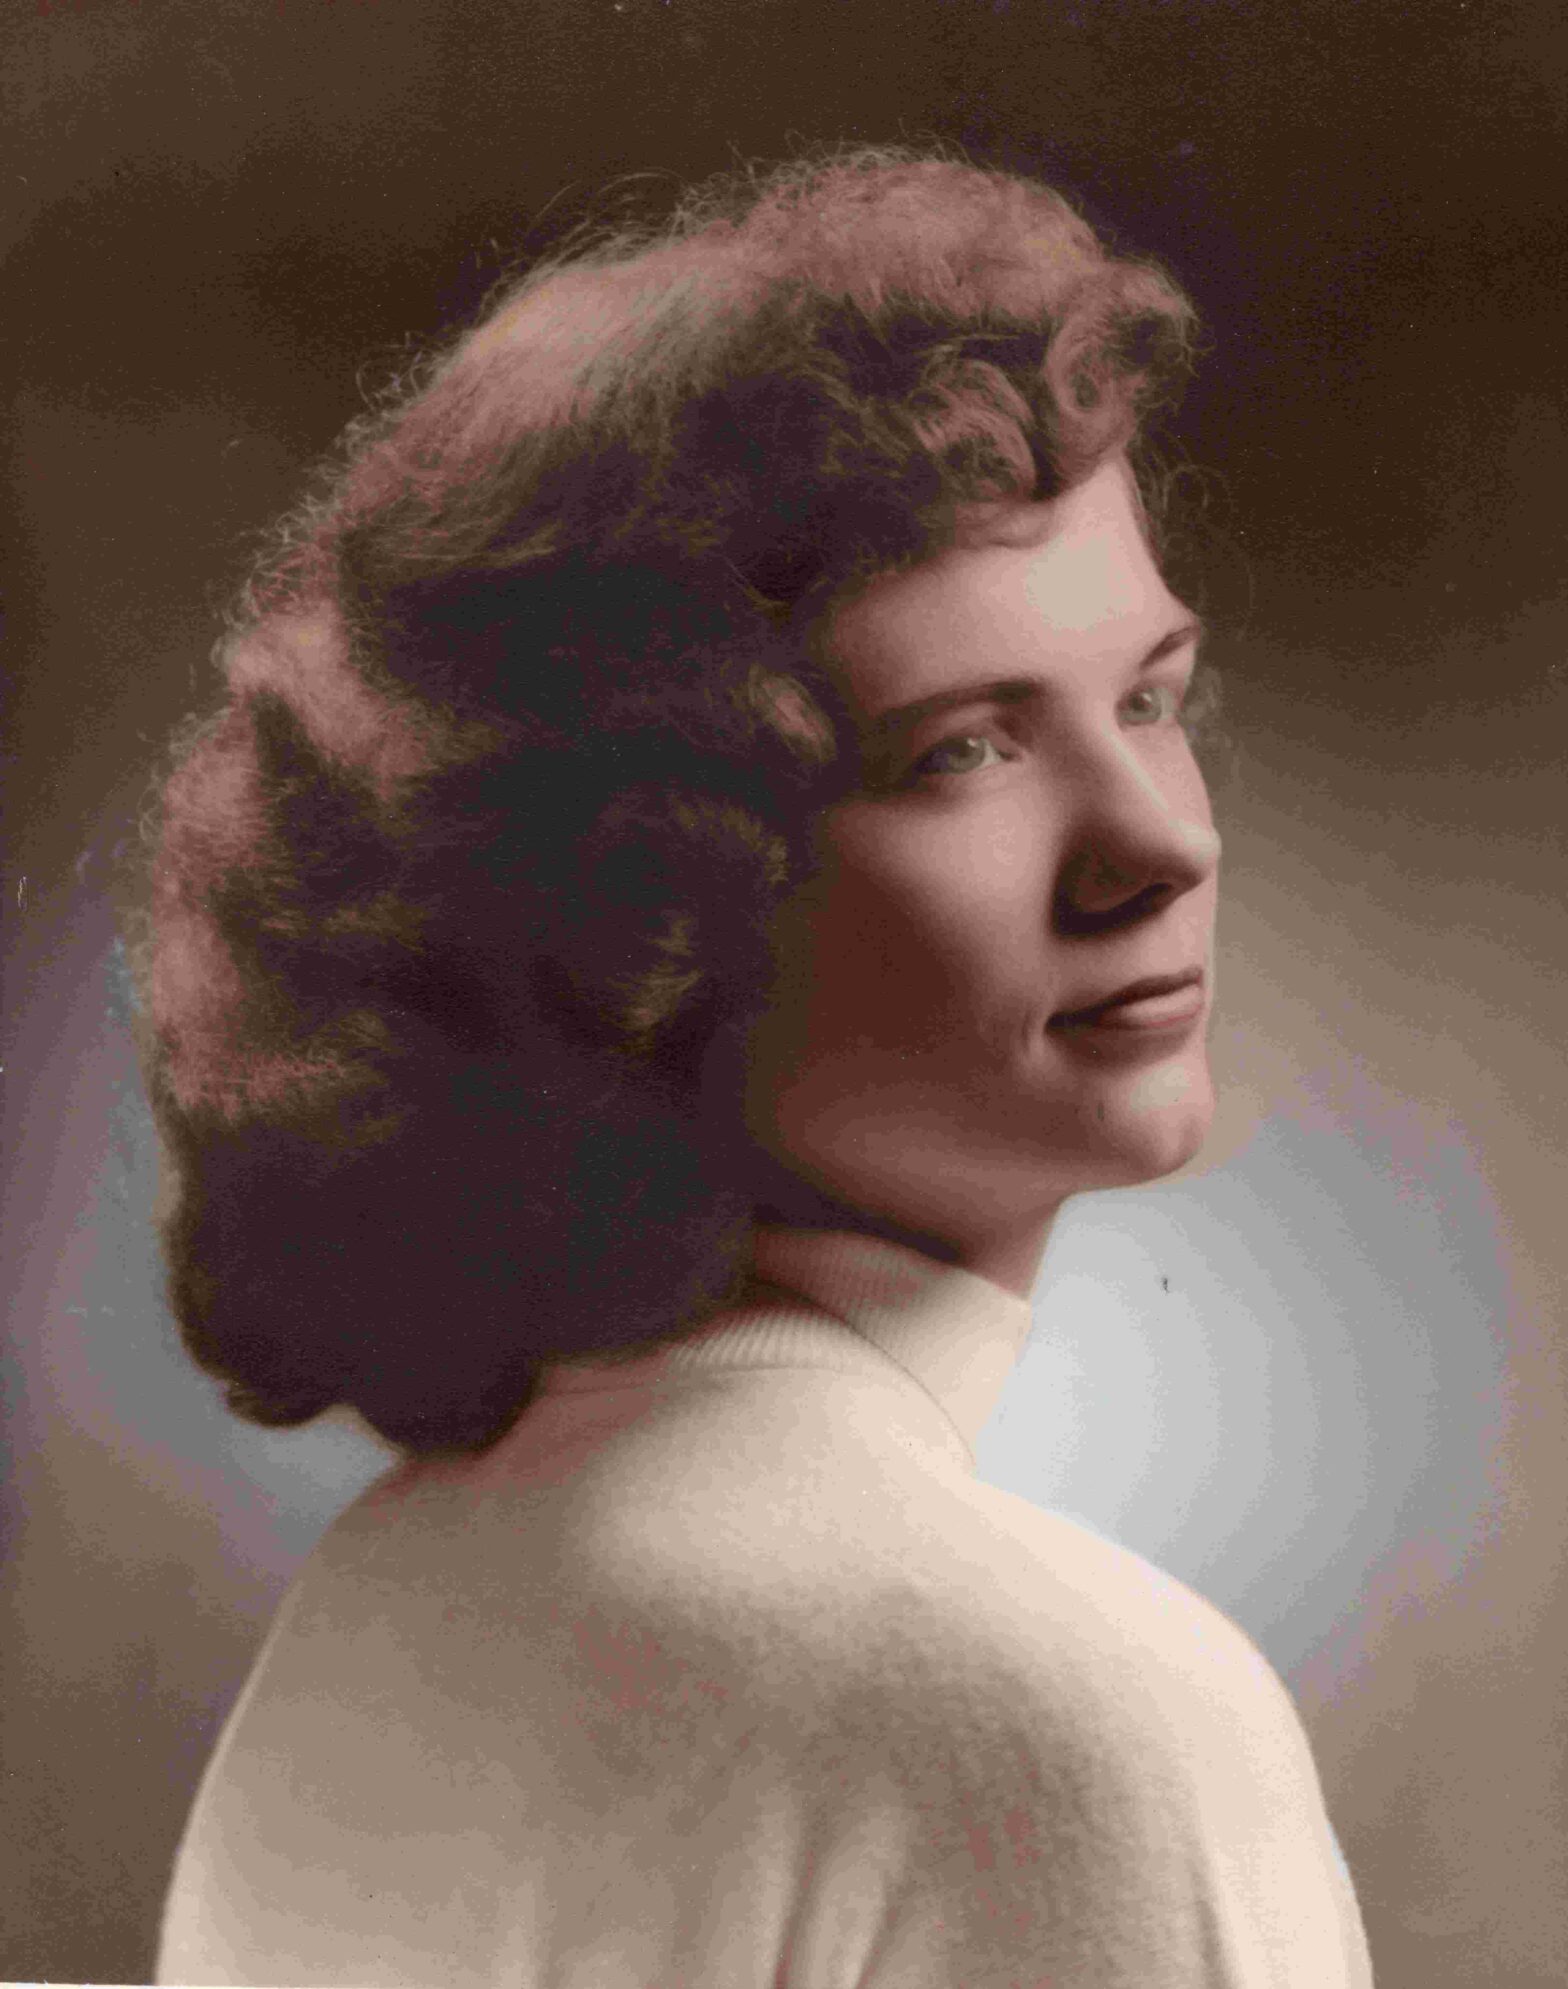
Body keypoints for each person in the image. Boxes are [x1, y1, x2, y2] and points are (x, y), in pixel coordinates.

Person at [129, 145, 1374, 1985]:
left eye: (1146, 700)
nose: (1160, 841)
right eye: (962, 751)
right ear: (643, 906)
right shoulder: (1061, 1717)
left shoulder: (384, 1604)